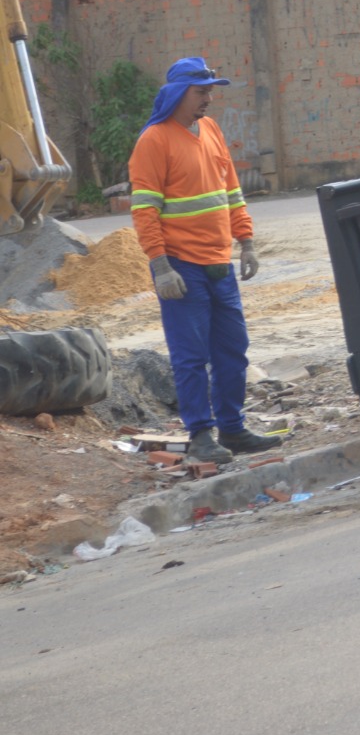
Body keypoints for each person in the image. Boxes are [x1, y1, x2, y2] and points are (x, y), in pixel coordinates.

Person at [130, 57, 279, 465]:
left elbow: (231, 191)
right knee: (191, 356)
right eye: (201, 92)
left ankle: (232, 428)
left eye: (211, 91)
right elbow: (145, 210)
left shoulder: (211, 129)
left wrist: (246, 241)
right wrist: (161, 266)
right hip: (181, 267)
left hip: (219, 263)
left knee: (233, 350)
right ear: (178, 94)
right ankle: (200, 435)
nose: (209, 99)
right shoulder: (154, 141)